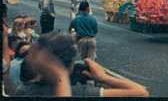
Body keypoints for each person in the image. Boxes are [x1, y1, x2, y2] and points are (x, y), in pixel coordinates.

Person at [16, 32, 148, 97]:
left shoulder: (23, 90)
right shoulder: (81, 92)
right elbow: (141, 92)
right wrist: (103, 77)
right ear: (70, 66)